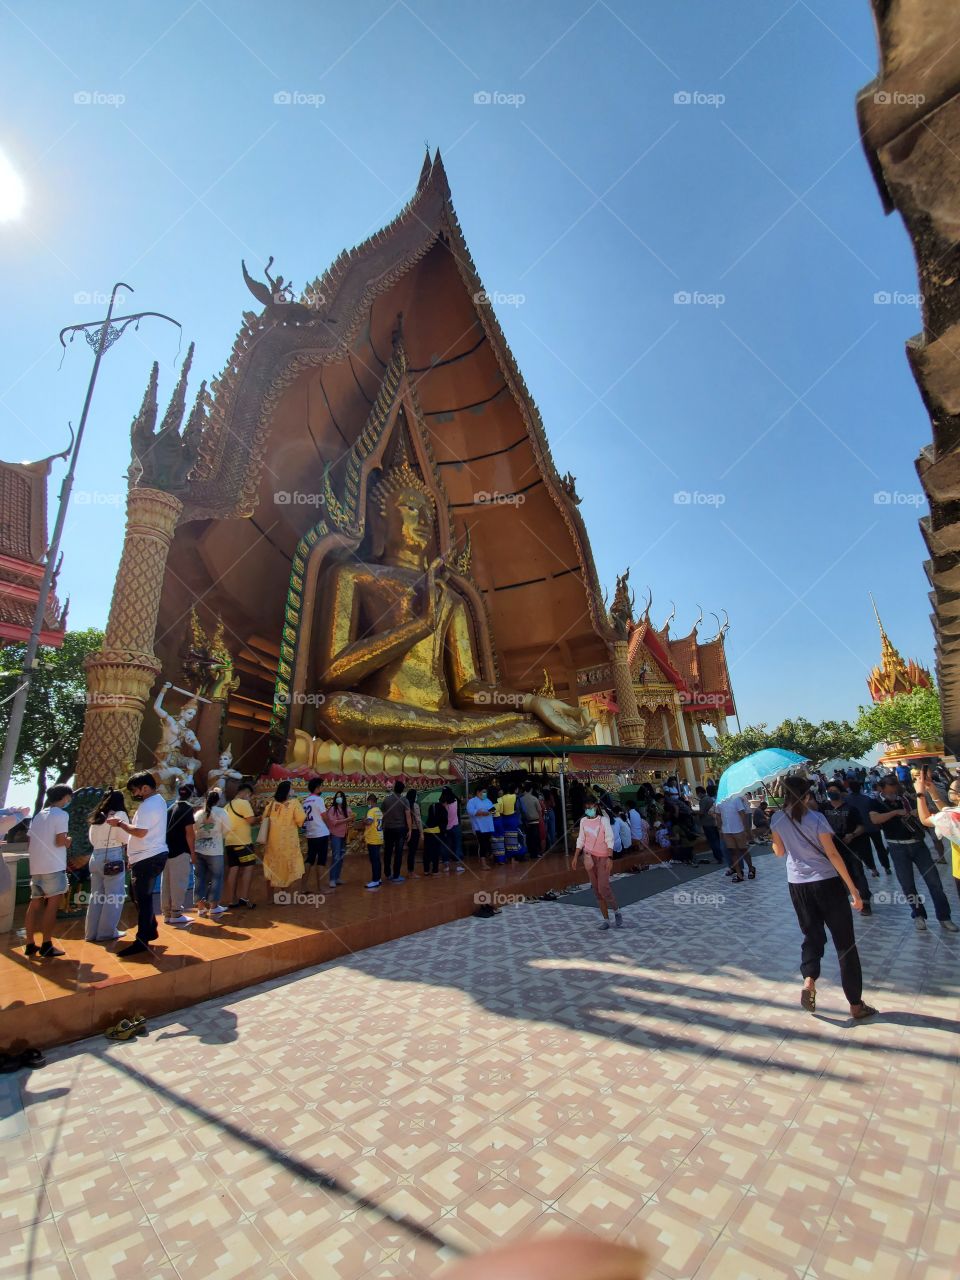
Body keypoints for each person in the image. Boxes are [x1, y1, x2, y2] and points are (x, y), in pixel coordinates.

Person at [770, 776, 876, 1019]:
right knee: (845, 943)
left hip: (797, 885)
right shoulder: (817, 818)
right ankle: (855, 1004)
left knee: (812, 935)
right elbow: (833, 854)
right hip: (827, 883)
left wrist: (775, 837)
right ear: (807, 794)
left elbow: (779, 853)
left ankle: (809, 979)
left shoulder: (777, 818)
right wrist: (854, 890)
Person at [870, 775, 956, 932]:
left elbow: (927, 811)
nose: (892, 794)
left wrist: (916, 812)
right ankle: (918, 915)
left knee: (934, 882)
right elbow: (875, 819)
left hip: (917, 844)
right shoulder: (875, 802)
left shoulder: (905, 798)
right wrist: (895, 812)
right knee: (908, 884)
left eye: (894, 790)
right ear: (881, 789)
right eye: (889, 791)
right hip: (897, 847)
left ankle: (944, 917)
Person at [106, 773, 168, 957]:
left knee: (143, 898)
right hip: (146, 856)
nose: (134, 794)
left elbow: (140, 832)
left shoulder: (150, 805)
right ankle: (149, 929)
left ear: (145, 788)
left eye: (135, 790)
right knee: (140, 896)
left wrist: (120, 824)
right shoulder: (156, 802)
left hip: (148, 856)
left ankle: (142, 939)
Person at [24, 784, 74, 958]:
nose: (69, 801)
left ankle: (30, 943)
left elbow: (30, 842)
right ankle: (46, 943)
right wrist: (68, 841)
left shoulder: (39, 816)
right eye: (69, 797)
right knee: (52, 906)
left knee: (35, 903)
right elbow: (60, 841)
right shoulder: (61, 814)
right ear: (64, 797)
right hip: (53, 866)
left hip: (36, 866)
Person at [820, 785, 872, 916]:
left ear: (841, 792)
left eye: (835, 791)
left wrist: (852, 835)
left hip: (851, 846)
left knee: (857, 874)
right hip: (832, 847)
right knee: (835, 877)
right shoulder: (823, 809)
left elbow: (861, 826)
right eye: (830, 791)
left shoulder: (851, 809)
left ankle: (865, 902)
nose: (832, 793)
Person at [572, 796, 622, 929]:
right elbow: (581, 839)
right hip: (589, 857)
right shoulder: (583, 821)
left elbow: (609, 839)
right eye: (587, 808)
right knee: (596, 890)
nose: (590, 810)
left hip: (604, 857)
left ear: (596, 806)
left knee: (603, 887)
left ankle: (616, 910)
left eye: (592, 807)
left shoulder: (603, 821)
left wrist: (610, 858)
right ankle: (606, 920)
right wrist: (576, 856)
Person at [913, 766, 960, 911]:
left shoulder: (952, 817)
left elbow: (925, 819)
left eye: (951, 790)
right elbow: (947, 811)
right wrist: (933, 791)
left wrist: (920, 793)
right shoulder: (953, 814)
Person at [85, 789, 129, 942]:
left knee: (96, 896)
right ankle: (106, 932)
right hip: (112, 856)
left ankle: (91, 933)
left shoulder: (97, 816)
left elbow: (91, 839)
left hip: (95, 856)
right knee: (114, 895)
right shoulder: (120, 815)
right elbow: (124, 838)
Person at [260, 780, 306, 900]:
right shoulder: (294, 803)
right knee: (286, 870)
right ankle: (284, 898)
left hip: (272, 843)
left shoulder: (270, 805)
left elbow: (264, 819)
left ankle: (270, 899)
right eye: (291, 789)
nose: (293, 791)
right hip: (288, 844)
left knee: (271, 869)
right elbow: (301, 820)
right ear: (287, 791)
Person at [162, 784, 195, 926]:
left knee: (167, 882)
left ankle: (167, 913)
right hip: (181, 850)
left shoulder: (169, 808)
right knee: (179, 882)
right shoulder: (187, 809)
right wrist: (193, 853)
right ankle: (176, 912)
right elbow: (189, 833)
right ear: (191, 794)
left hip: (167, 850)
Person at [193, 790, 230, 916]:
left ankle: (200, 907)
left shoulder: (198, 814)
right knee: (216, 877)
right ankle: (214, 906)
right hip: (215, 850)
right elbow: (227, 830)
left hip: (199, 849)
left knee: (199, 877)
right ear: (218, 800)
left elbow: (194, 830)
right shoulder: (222, 812)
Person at [223, 781, 258, 908]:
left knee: (233, 869)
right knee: (248, 868)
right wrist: (260, 817)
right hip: (243, 843)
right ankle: (244, 897)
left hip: (229, 842)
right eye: (250, 796)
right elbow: (251, 820)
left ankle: (231, 900)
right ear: (246, 793)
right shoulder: (243, 803)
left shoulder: (227, 806)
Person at [844, 780, 888, 875]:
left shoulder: (847, 801)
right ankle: (886, 867)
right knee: (880, 847)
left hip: (860, 829)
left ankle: (873, 870)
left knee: (866, 850)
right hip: (873, 826)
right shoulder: (867, 799)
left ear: (850, 789)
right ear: (860, 788)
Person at [716, 791, 755, 881]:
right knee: (733, 851)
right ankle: (739, 874)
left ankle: (751, 868)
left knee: (743, 850)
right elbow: (718, 814)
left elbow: (742, 814)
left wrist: (745, 830)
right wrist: (720, 828)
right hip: (726, 830)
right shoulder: (719, 801)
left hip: (738, 829)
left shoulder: (736, 799)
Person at [302, 778, 330, 891]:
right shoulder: (319, 800)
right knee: (321, 861)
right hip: (321, 833)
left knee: (309, 860)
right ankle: (321, 888)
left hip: (311, 834)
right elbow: (324, 816)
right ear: (317, 787)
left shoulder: (306, 801)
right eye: (322, 786)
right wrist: (330, 826)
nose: (323, 788)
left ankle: (303, 887)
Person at [381, 779, 411, 884]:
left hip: (388, 829)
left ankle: (387, 873)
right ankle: (396, 875)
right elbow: (408, 817)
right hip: (400, 829)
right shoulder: (405, 800)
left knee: (388, 851)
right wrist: (410, 830)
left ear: (393, 789)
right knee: (398, 852)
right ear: (402, 790)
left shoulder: (386, 800)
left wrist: (382, 826)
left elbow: (382, 815)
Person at [321, 791, 352, 887]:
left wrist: (352, 818)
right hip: (336, 835)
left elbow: (351, 816)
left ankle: (337, 878)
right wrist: (347, 819)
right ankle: (332, 879)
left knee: (341, 857)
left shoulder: (346, 808)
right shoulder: (332, 809)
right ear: (335, 798)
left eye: (341, 796)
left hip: (344, 835)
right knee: (336, 857)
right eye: (338, 797)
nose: (339, 798)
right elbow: (334, 822)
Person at [465, 784, 495, 868]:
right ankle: (483, 863)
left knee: (488, 843)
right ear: (478, 792)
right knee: (482, 844)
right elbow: (471, 812)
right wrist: (481, 812)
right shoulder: (472, 801)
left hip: (488, 826)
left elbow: (493, 811)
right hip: (479, 827)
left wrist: (488, 812)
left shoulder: (488, 801)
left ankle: (489, 857)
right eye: (483, 792)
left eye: (486, 792)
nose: (485, 794)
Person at [695, 786, 725, 865]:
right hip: (713, 822)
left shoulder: (703, 800)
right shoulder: (709, 799)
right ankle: (721, 855)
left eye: (697, 794)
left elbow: (701, 812)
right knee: (717, 840)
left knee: (713, 841)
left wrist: (693, 812)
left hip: (707, 823)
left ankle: (718, 858)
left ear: (700, 793)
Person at [363, 793, 385, 889]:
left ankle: (375, 880)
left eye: (368, 802)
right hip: (379, 837)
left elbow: (369, 822)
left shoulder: (371, 811)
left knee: (374, 860)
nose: (368, 804)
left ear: (371, 801)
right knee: (377, 860)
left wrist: (364, 820)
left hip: (373, 838)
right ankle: (378, 878)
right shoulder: (379, 811)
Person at [440, 786, 463, 868]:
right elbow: (460, 801)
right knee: (457, 845)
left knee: (446, 845)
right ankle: (458, 865)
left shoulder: (441, 803)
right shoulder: (455, 800)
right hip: (456, 826)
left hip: (445, 828)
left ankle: (446, 865)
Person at [422, 796, 446, 875]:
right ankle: (435, 870)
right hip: (436, 832)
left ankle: (426, 870)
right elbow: (444, 822)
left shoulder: (432, 808)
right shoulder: (442, 809)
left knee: (427, 852)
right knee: (435, 852)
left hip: (426, 830)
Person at [519, 782, 543, 857]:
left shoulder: (521, 799)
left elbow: (521, 810)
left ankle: (529, 852)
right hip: (535, 821)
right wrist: (540, 818)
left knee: (528, 838)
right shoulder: (534, 798)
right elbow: (539, 810)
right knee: (535, 838)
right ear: (531, 789)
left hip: (525, 821)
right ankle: (535, 853)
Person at [405, 788, 423, 875]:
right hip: (414, 830)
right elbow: (418, 820)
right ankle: (411, 871)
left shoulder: (405, 804)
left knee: (410, 851)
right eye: (416, 795)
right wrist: (421, 832)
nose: (417, 797)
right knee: (412, 851)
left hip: (406, 830)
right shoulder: (415, 805)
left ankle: (410, 870)